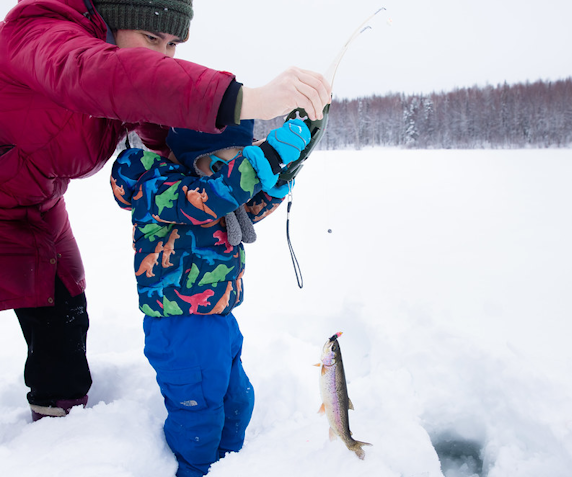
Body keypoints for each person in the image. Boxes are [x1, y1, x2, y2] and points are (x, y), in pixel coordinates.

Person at [0, 0, 330, 421]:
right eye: (152, 37)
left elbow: (175, 133)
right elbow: (113, 76)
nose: (162, 55)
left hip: (35, 202)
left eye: (173, 44)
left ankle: (57, 427)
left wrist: (272, 167)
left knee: (62, 310)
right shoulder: (42, 35)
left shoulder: (129, 80)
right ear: (113, 20)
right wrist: (244, 102)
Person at [110, 117, 310, 476]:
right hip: (181, 328)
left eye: (239, 159)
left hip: (219, 319)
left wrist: (278, 178)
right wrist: (255, 163)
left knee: (237, 401)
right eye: (227, 160)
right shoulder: (158, 186)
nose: (233, 168)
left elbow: (244, 205)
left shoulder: (216, 191)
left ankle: (229, 466)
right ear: (196, 153)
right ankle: (195, 470)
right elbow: (207, 199)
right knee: (198, 416)